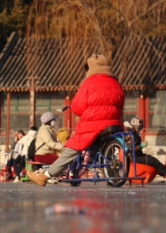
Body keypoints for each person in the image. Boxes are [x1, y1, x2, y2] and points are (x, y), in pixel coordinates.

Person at [29, 54, 124, 186]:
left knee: (71, 150)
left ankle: (44, 176)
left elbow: (78, 106)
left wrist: (81, 113)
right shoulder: (115, 83)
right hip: (114, 123)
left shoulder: (89, 83)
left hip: (94, 125)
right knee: (96, 147)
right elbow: (120, 104)